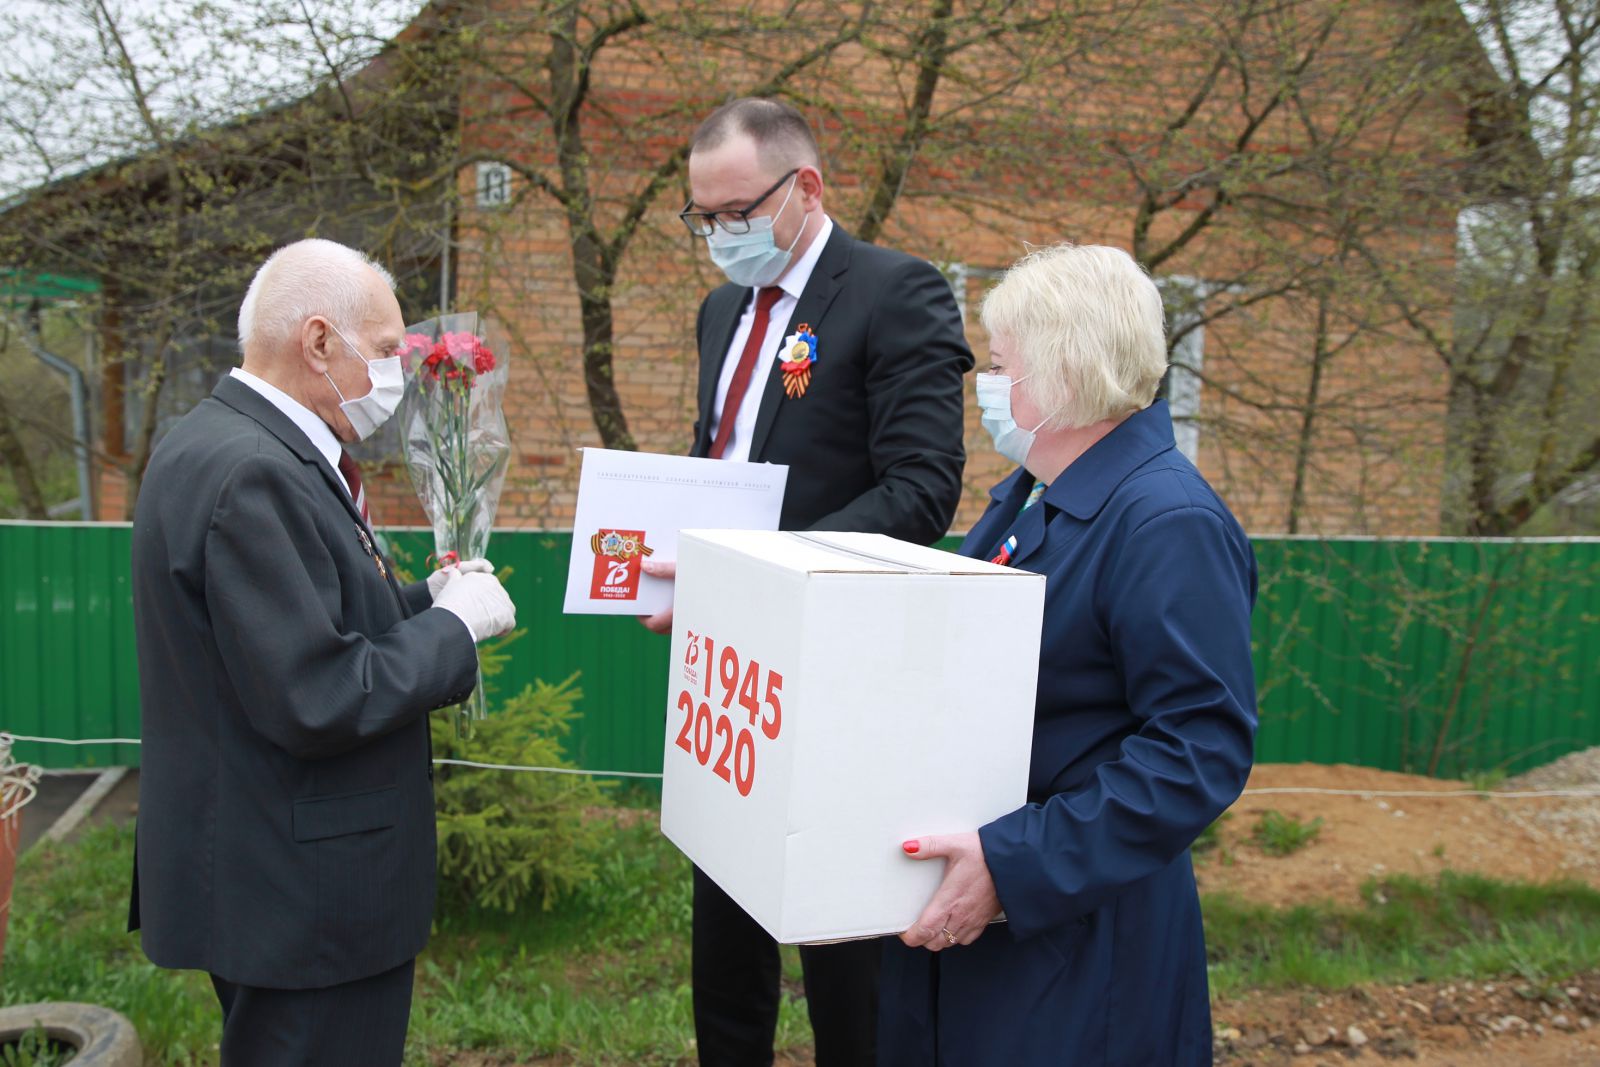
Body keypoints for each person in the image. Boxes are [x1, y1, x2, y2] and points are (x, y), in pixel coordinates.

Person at [641, 98, 973, 1066]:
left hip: (840, 668)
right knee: (725, 924)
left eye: (737, 211)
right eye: (702, 218)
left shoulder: (892, 292)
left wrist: (755, 571)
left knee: (841, 952)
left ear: (806, 188)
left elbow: (919, 491)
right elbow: (723, 463)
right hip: (730, 669)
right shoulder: (719, 310)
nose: (719, 236)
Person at [129, 238, 517, 1065]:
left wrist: (425, 601)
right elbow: (318, 693)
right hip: (307, 891)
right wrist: (455, 631)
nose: (395, 373)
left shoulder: (223, 440)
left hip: (272, 869)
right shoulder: (254, 473)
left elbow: (295, 628)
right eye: (383, 351)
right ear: (316, 342)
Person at [880, 243, 1257, 1065]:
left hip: (1080, 946)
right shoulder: (1034, 494)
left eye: (1002, 364)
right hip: (991, 938)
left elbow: (1199, 750)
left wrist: (1016, 864)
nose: (986, 385)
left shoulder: (1166, 521)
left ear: (1063, 371)